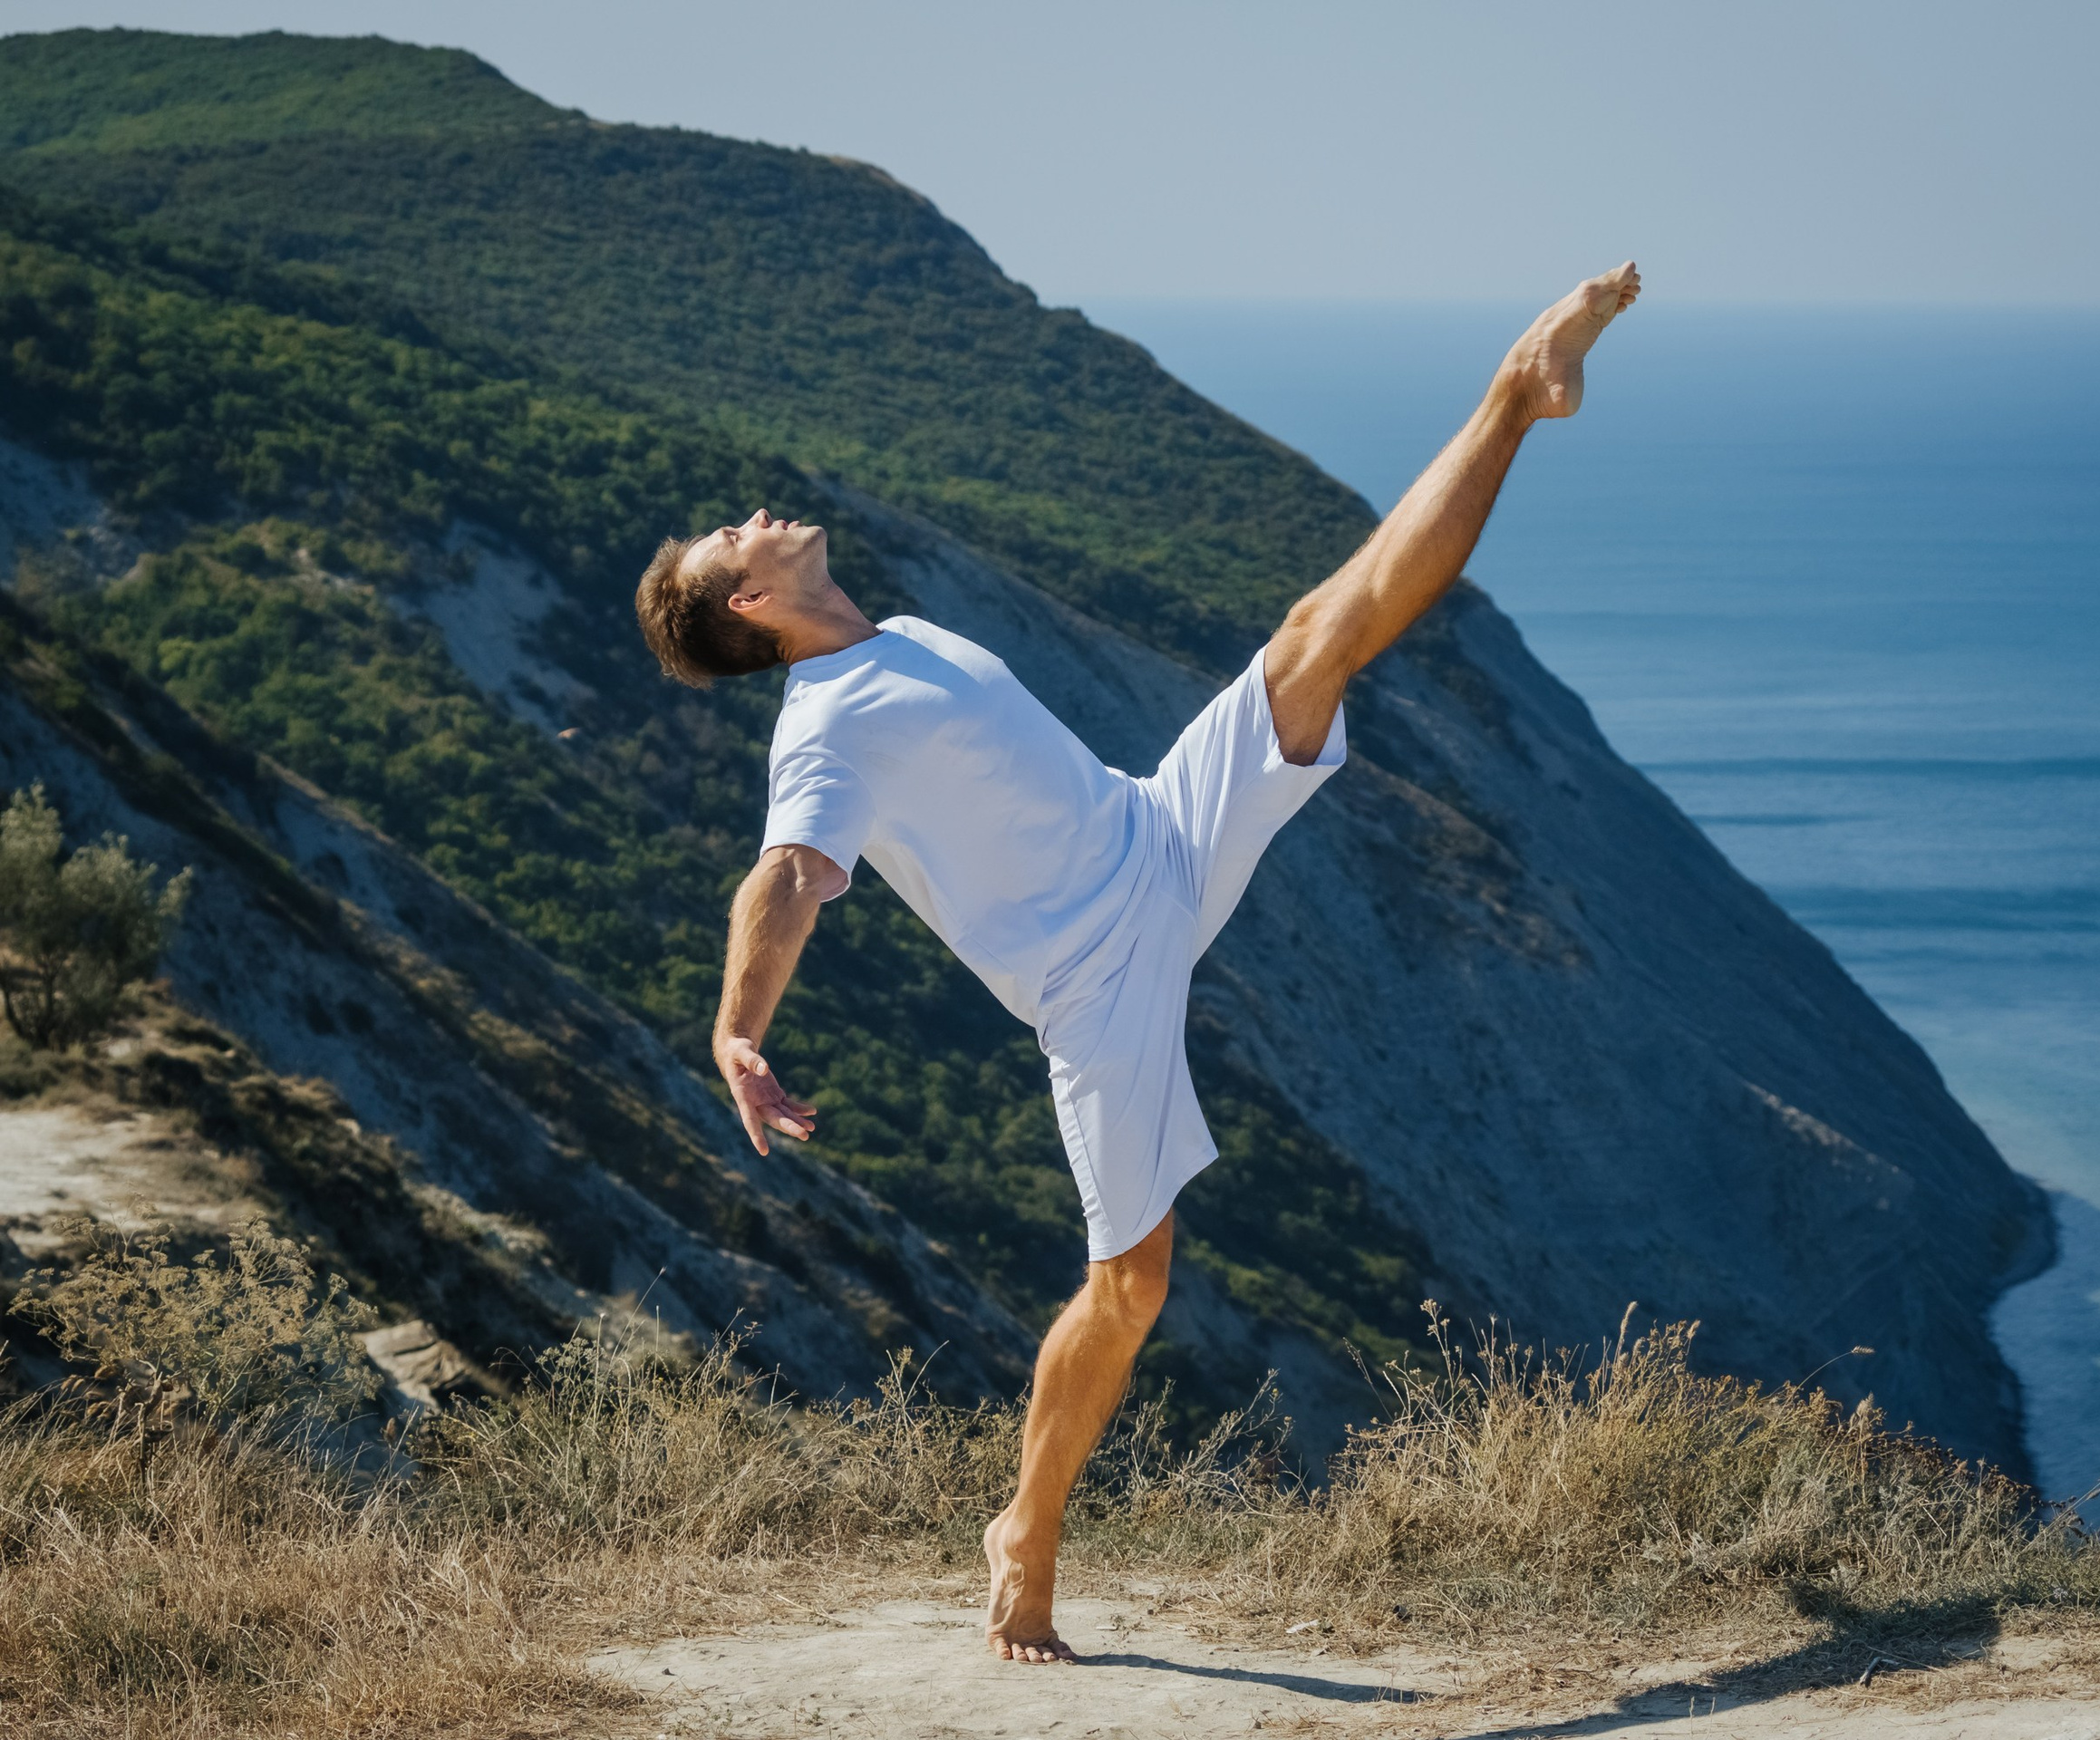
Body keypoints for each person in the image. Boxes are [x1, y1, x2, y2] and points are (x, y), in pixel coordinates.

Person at [633, 262, 1641, 1664]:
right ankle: (1024, 1534)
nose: (751, 519)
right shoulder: (824, 722)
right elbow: (788, 875)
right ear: (747, 605)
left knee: (1318, 634)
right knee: (1134, 1286)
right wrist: (740, 1030)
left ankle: (1516, 395)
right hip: (1094, 982)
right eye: (726, 540)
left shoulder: (895, 633)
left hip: (1153, 828)